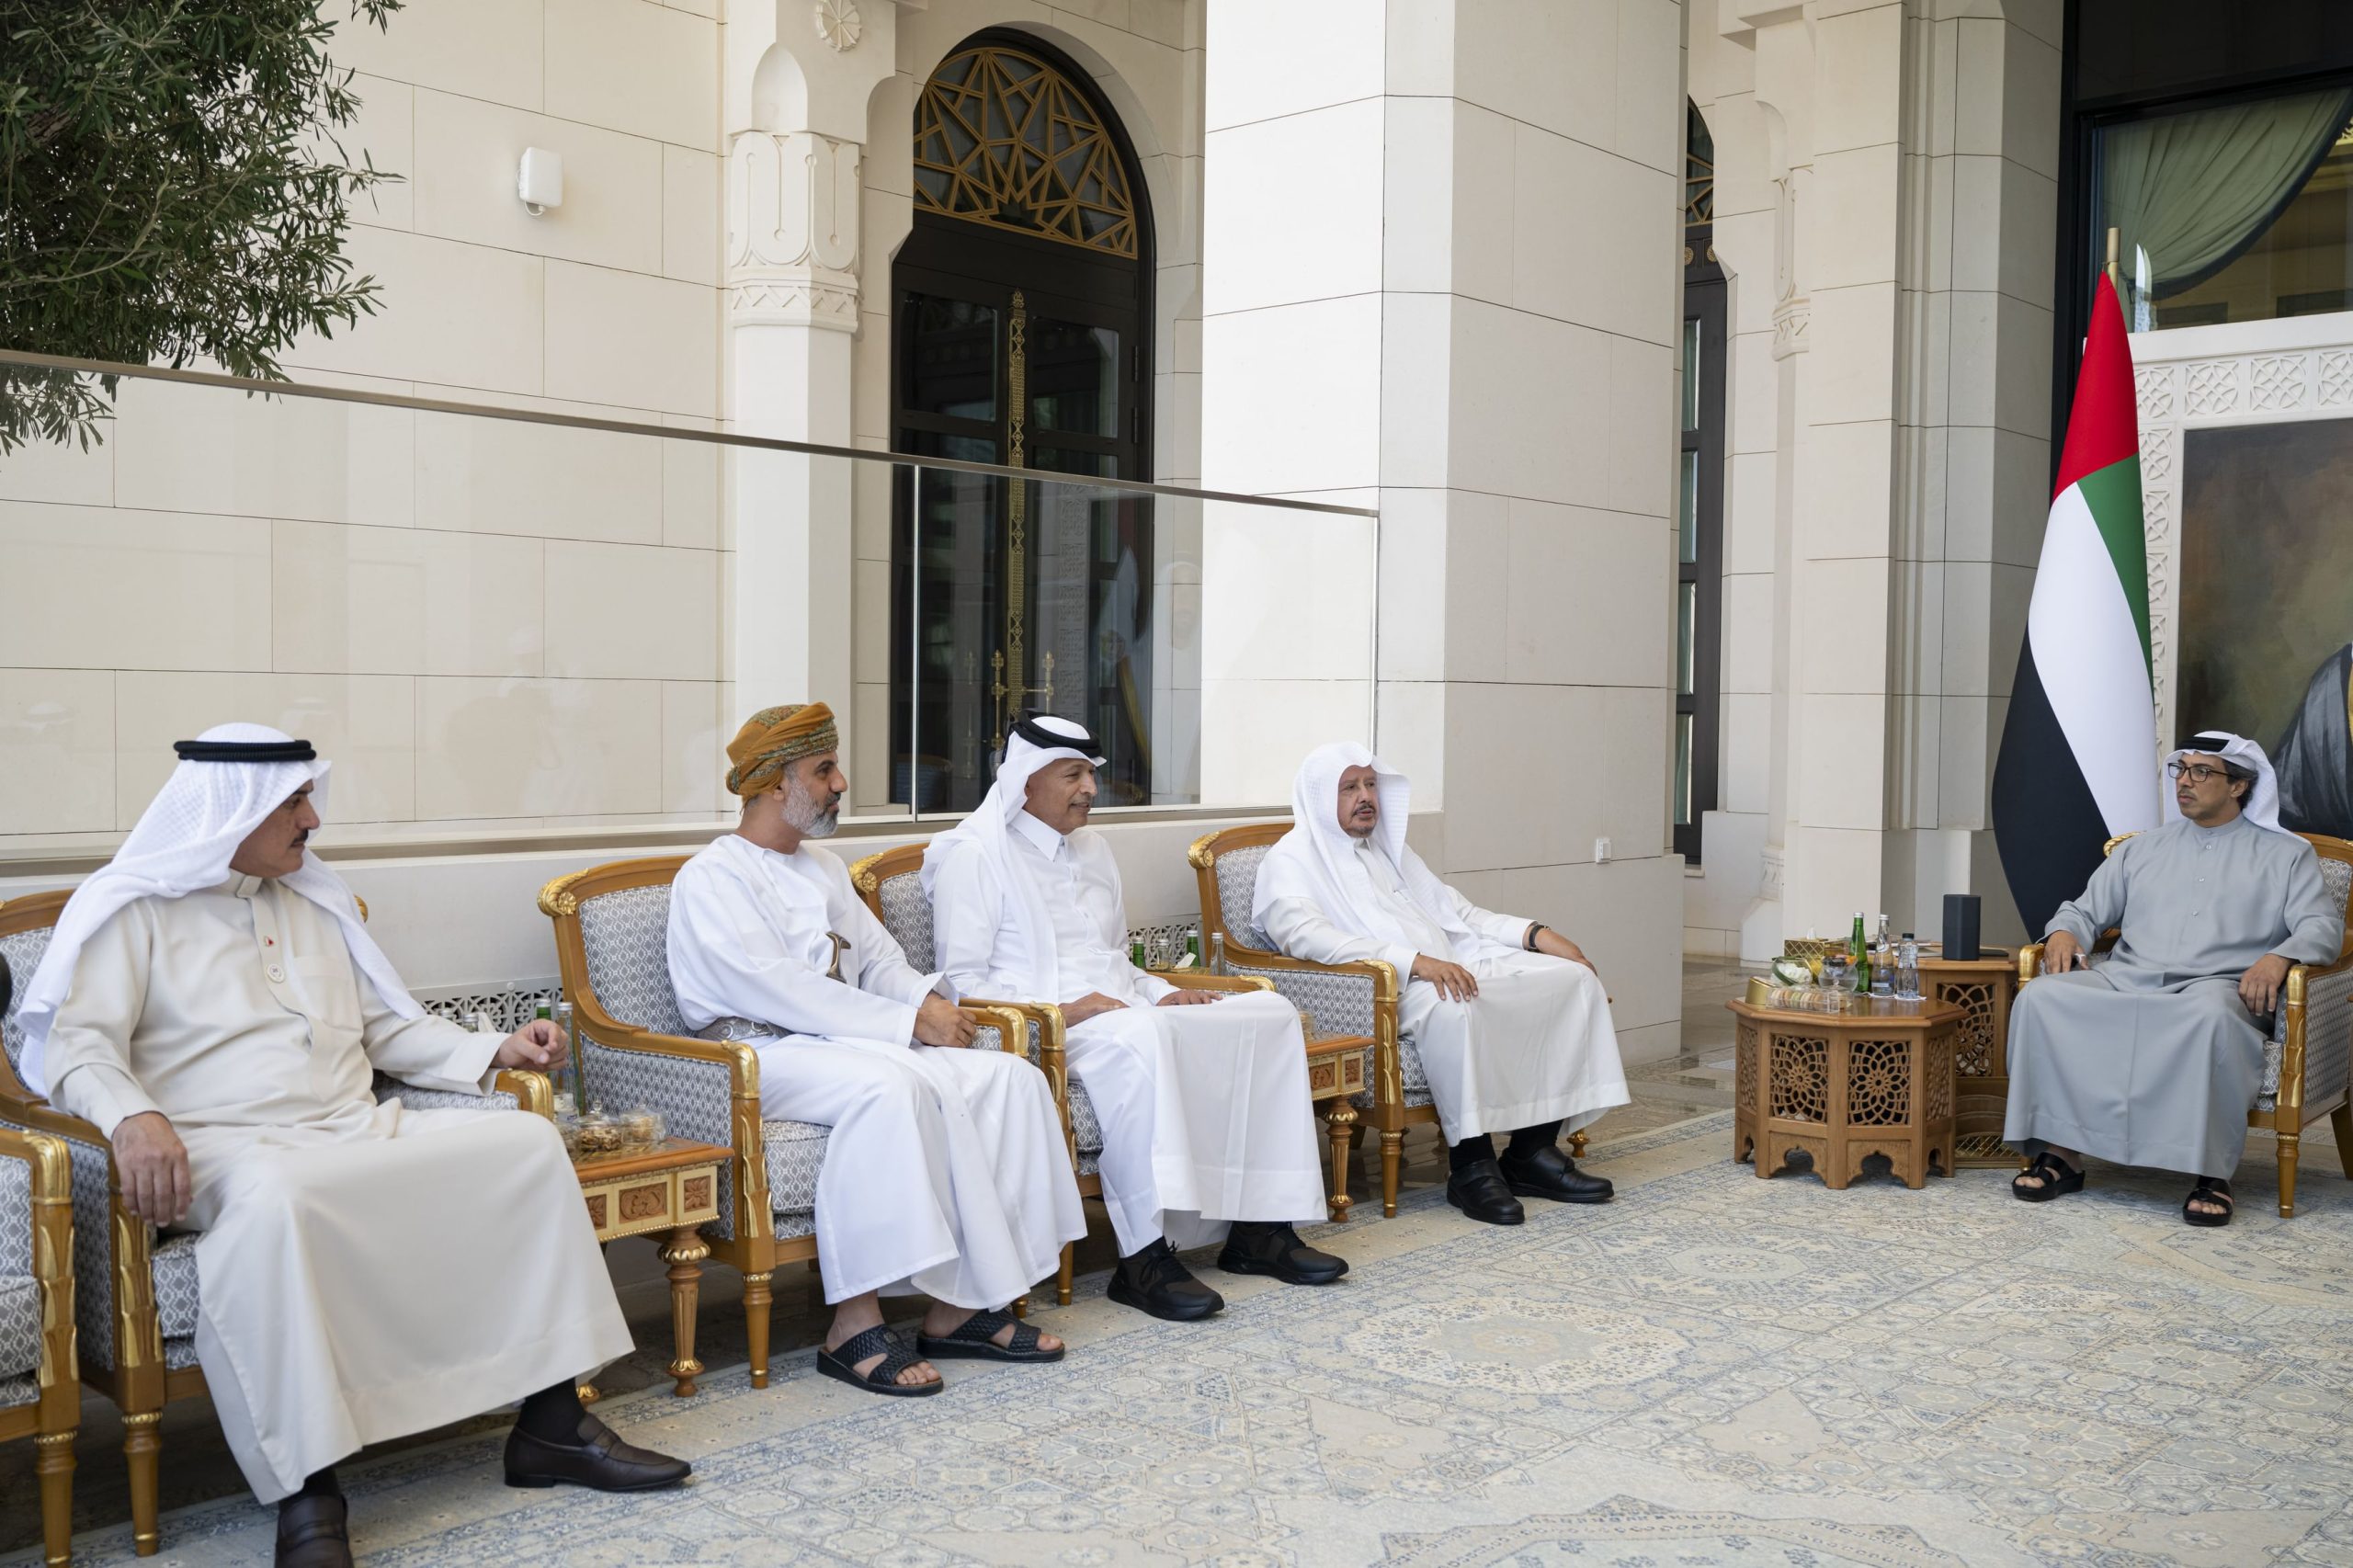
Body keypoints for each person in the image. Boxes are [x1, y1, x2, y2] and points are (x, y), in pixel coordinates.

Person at [15, 725, 687, 1568]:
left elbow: (382, 1026)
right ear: (236, 811)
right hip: (227, 1148)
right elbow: (76, 1048)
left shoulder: (312, 900)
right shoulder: (132, 912)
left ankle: (553, 1425)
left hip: (352, 1125)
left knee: (522, 1143)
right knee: (279, 1199)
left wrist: (492, 1052)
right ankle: (310, 1494)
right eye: (294, 802)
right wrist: (129, 1118)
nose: (312, 821)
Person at [666, 703, 1086, 1395]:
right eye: (823, 769)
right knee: (890, 1087)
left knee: (1008, 1079)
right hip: (759, 1056)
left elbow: (881, 961)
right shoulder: (711, 878)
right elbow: (777, 991)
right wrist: (904, 1027)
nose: (840, 784)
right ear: (774, 782)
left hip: (848, 1039)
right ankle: (852, 1325)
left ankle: (960, 1309)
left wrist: (925, 1004)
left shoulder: (825, 868)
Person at [925, 714, 1343, 1322]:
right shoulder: (973, 854)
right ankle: (1144, 1257)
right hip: (1044, 1029)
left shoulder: (1093, 850)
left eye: (1090, 774)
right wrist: (1073, 1009)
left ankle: (1260, 1231)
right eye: (1073, 775)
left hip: (1125, 1011)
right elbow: (961, 989)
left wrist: (1160, 990)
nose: (1090, 789)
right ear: (1024, 782)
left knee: (1267, 1013)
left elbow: (1114, 960)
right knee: (1138, 1036)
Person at [1254, 744, 1630, 1225]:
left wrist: (1535, 934)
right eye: (1350, 788)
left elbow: (1457, 911)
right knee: (1453, 1005)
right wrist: (1414, 962)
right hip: (1384, 989)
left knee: (1572, 980)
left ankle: (1531, 1152)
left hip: (1454, 961)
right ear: (1319, 797)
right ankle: (1472, 1168)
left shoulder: (1388, 848)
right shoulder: (1291, 860)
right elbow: (1304, 936)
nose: (1366, 796)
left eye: (1370, 784)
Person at [2006, 731, 2344, 1225]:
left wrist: (2278, 958)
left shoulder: (2285, 855)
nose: (2184, 782)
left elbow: (2323, 928)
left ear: (2239, 787)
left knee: (2210, 1019)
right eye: (2180, 770)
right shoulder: (2141, 849)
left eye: (2201, 772)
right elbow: (2084, 910)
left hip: (2217, 987)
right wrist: (2063, 932)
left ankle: (2210, 1174)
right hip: (2126, 976)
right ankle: (2062, 1152)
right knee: (2041, 998)